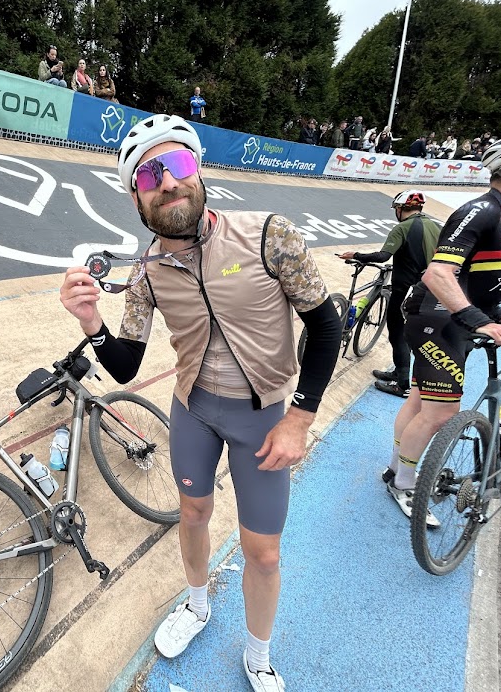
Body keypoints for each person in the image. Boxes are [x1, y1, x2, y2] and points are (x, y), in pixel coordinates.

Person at [59, 114, 342, 692]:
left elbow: (325, 324)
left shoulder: (269, 235)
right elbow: (126, 364)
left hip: (264, 417)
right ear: (137, 199)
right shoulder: (146, 271)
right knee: (192, 514)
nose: (167, 182)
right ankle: (195, 603)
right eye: (149, 176)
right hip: (193, 411)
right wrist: (91, 322)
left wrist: (299, 417)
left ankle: (258, 654)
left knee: (263, 553)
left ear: (199, 170)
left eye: (178, 164)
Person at [386, 126, 501, 524]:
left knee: (419, 401)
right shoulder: (481, 210)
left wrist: (497, 314)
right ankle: (404, 484)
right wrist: (478, 321)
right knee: (440, 413)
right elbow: (438, 273)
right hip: (437, 317)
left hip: (442, 317)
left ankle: (397, 470)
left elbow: (476, 276)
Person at [339, 190, 440, 398]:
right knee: (407, 333)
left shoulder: (402, 228)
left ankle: (402, 385)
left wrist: (356, 255)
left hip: (405, 291)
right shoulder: (435, 226)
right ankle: (399, 372)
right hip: (429, 289)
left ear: (400, 209)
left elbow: (383, 256)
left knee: (397, 333)